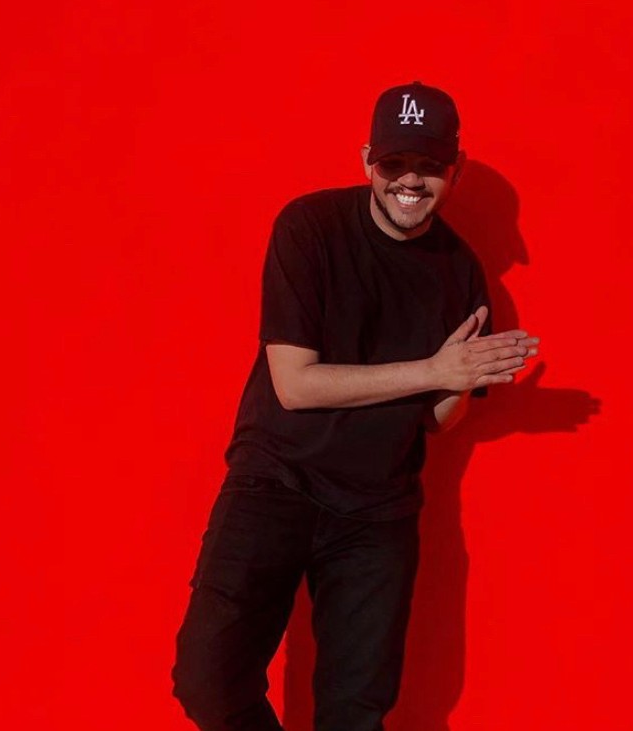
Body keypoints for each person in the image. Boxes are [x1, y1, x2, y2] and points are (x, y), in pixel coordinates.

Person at [171, 81, 540, 731]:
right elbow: (295, 384)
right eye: (395, 162)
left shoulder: (460, 270)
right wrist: (434, 369)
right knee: (207, 678)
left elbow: (437, 420)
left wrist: (461, 379)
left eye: (429, 165)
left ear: (454, 167)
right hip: (275, 482)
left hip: (377, 511)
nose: (410, 180)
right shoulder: (309, 228)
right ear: (367, 159)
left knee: (356, 715)